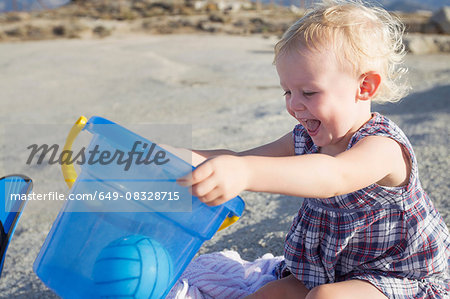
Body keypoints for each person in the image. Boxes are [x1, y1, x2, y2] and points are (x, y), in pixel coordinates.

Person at [177, 0, 450, 298]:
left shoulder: (382, 147)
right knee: (268, 294)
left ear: (365, 87)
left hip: (396, 275)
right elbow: (241, 158)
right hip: (327, 270)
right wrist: (167, 156)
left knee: (325, 297)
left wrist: (244, 173)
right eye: (288, 91)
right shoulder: (306, 139)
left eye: (308, 92)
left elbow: (332, 177)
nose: (293, 105)